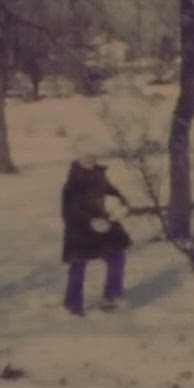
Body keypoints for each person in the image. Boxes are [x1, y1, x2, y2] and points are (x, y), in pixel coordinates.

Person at [60, 135, 135, 316]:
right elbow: (68, 211)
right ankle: (73, 304)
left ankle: (111, 296)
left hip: (105, 229)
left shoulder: (100, 177)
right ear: (79, 158)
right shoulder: (72, 183)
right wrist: (90, 220)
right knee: (78, 266)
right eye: (86, 157)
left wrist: (121, 205)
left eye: (93, 157)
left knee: (117, 256)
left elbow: (115, 195)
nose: (90, 161)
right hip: (80, 231)